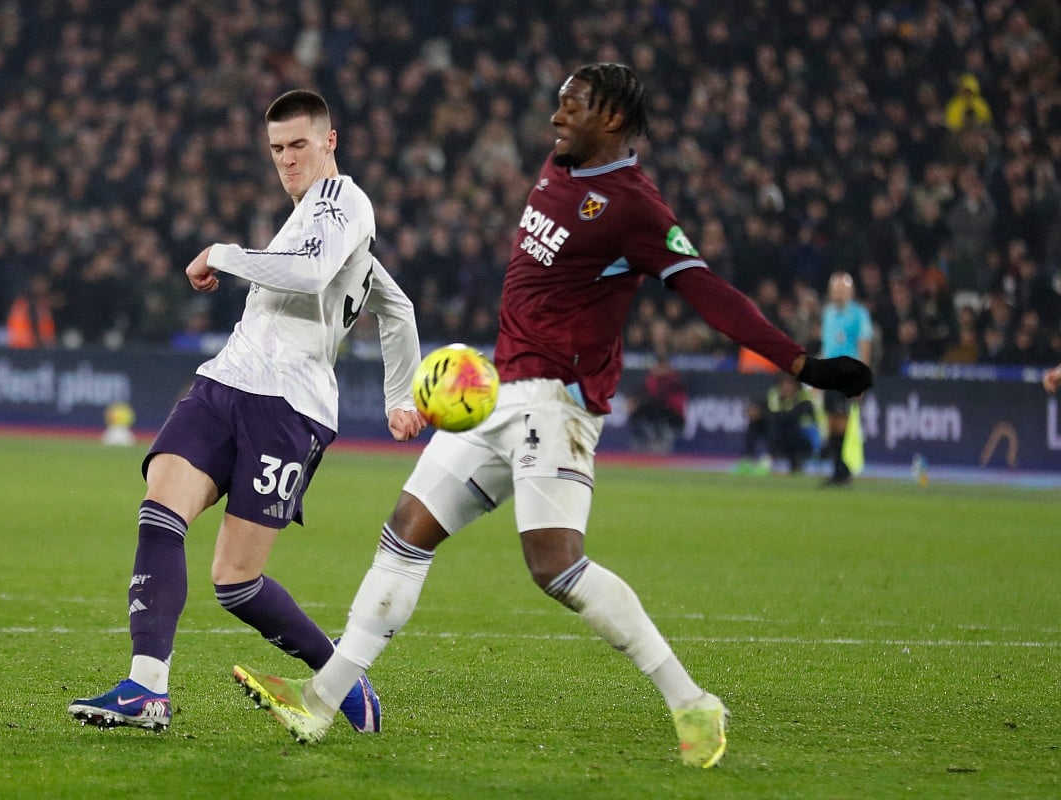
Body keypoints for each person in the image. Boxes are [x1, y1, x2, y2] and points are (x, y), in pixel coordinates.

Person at [232, 64, 871, 768]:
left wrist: (802, 365)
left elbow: (708, 291)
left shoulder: (635, 208)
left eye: (573, 108)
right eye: (558, 104)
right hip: (499, 390)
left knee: (556, 567)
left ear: (615, 123)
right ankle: (321, 703)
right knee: (405, 533)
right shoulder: (557, 168)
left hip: (559, 403)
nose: (556, 119)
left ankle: (692, 703)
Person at [67, 90, 425, 732]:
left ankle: (343, 678)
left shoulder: (345, 203)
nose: (287, 160)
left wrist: (223, 254)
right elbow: (395, 305)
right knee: (160, 508)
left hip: (288, 407)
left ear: (330, 142)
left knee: (235, 581)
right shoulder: (310, 218)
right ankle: (147, 688)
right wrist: (400, 395)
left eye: (299, 146)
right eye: (277, 149)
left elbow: (316, 275)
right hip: (227, 381)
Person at [819, 272, 874, 486]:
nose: (838, 293)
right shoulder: (828, 314)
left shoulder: (859, 314)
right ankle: (839, 469)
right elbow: (827, 346)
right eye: (835, 289)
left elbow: (865, 345)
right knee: (831, 422)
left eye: (842, 289)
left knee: (841, 421)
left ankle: (841, 470)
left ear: (850, 292)